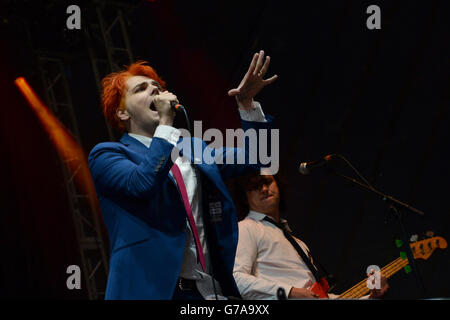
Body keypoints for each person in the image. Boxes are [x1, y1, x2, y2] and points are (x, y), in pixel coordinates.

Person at [88, 50, 278, 299]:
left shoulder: (193, 148)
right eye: (141, 89)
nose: (155, 91)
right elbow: (142, 184)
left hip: (207, 290)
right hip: (154, 292)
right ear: (122, 113)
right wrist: (166, 123)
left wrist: (247, 105)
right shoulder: (107, 155)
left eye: (156, 86)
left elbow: (260, 158)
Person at [230, 170, 389, 299]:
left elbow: (319, 296)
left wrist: (371, 297)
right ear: (245, 197)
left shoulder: (298, 242)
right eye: (255, 186)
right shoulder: (246, 228)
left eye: (268, 182)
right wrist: (290, 291)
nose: (264, 189)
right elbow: (236, 279)